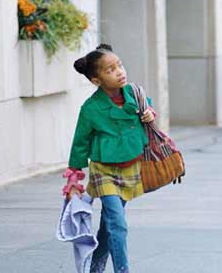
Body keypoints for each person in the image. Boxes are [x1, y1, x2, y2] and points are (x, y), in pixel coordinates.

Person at [63, 44, 156, 273]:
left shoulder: (134, 93)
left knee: (110, 223)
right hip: (103, 170)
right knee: (118, 224)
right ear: (96, 80)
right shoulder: (90, 108)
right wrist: (73, 181)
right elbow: (80, 143)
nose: (119, 71)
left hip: (130, 166)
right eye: (110, 69)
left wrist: (149, 113)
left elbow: (149, 108)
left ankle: (96, 266)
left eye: (119, 65)